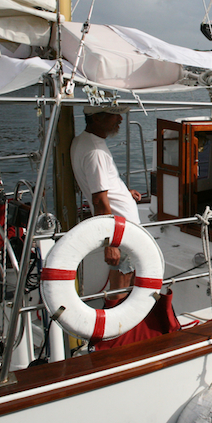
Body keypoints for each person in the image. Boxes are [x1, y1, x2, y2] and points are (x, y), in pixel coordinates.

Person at [70, 104, 141, 300]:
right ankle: (116, 316)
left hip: (120, 227)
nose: (120, 119)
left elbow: (99, 185)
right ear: (96, 118)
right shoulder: (95, 152)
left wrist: (124, 193)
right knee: (121, 285)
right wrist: (111, 243)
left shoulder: (83, 141)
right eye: (114, 115)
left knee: (128, 278)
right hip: (120, 229)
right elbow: (99, 200)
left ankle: (123, 315)